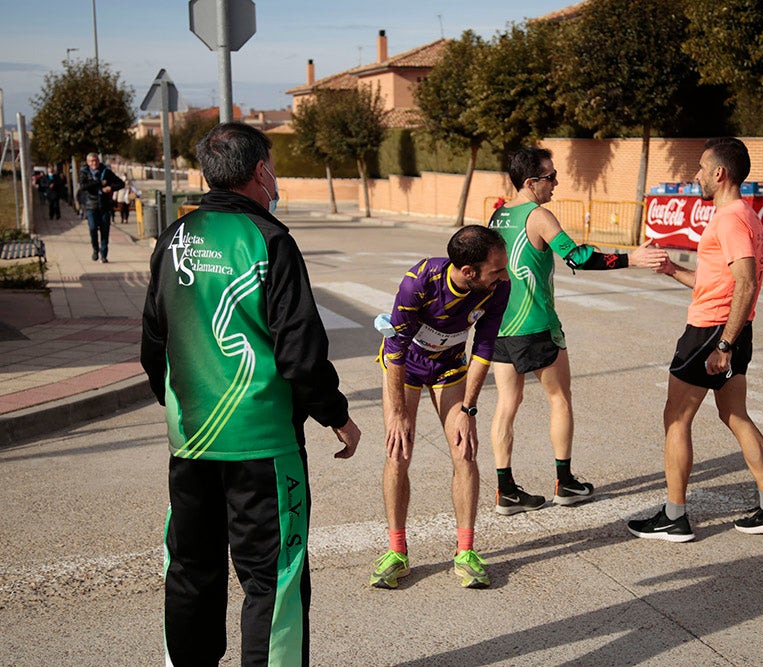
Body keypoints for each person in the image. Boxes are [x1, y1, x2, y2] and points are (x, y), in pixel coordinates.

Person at [141, 121, 361, 666]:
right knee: (273, 579)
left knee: (191, 567)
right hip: (263, 446)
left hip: (190, 441)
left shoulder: (175, 238)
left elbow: (153, 341)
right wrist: (336, 414)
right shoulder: (270, 240)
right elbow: (300, 352)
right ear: (260, 170)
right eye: (274, 166)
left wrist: (179, 407)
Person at [627, 137, 763, 543]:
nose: (696, 176)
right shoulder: (743, 215)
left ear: (719, 173)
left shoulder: (730, 219)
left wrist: (723, 345)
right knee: (735, 415)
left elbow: (746, 281)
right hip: (731, 327)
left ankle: (674, 516)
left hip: (711, 333)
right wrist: (671, 269)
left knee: (676, 418)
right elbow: (714, 283)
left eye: (702, 169)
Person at [487, 146, 666, 515]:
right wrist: (633, 258)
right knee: (559, 399)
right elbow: (578, 258)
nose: (556, 183)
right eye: (550, 177)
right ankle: (565, 482)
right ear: (531, 182)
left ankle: (505, 490)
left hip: (501, 325)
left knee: (506, 405)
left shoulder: (498, 216)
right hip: (536, 325)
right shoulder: (538, 216)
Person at [371, 225, 510, 590]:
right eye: (495, 270)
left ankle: (466, 552)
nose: (503, 275)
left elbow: (484, 347)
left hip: (449, 365)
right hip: (406, 365)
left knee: (465, 451)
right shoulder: (419, 282)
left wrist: (468, 409)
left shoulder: (498, 287)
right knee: (398, 452)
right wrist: (398, 412)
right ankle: (397, 553)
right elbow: (396, 348)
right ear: (469, 272)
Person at [78, 152, 123, 262]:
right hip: (91, 205)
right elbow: (83, 186)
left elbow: (121, 183)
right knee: (93, 228)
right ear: (88, 162)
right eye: (92, 161)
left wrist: (110, 188)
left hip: (104, 206)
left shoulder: (106, 172)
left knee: (105, 231)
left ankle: (104, 254)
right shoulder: (85, 173)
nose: (94, 163)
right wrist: (98, 183)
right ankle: (95, 249)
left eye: (96, 160)